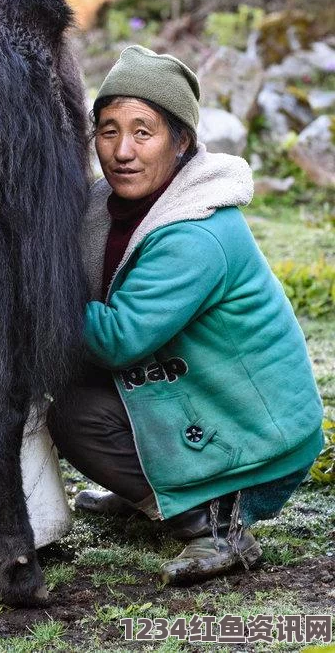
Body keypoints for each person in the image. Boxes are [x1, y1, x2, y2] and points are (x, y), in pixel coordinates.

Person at [48, 45, 324, 584]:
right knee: (75, 383)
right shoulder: (109, 210)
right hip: (200, 396)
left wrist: (30, 293)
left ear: (182, 143)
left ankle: (216, 525)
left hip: (258, 438)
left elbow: (117, 339)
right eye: (108, 130)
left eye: (143, 131)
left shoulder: (195, 233)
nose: (122, 150)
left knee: (76, 415)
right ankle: (154, 490)